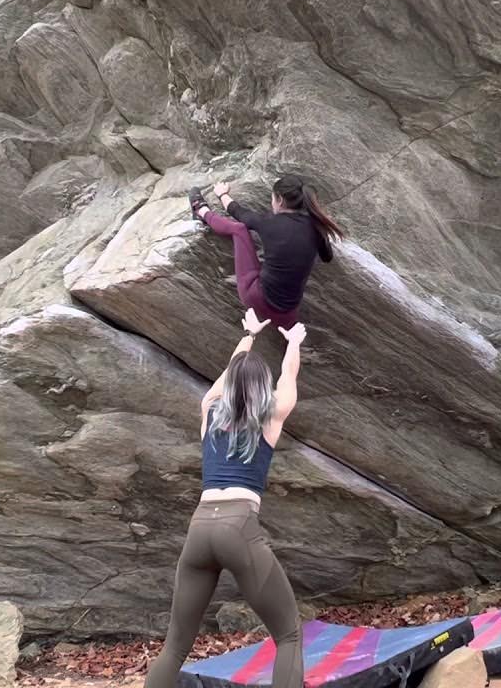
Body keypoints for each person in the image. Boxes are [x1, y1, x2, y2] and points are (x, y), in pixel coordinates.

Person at [143, 308, 307, 688]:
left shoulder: (209, 413)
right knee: (288, 635)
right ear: (262, 389)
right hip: (239, 526)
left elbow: (222, 385)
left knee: (176, 646)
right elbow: (289, 377)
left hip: (200, 528)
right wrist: (293, 343)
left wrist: (248, 336)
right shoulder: (271, 416)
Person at [189, 175, 343, 328]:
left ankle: (200, 210)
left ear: (280, 200)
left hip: (257, 299)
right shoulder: (317, 228)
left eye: (272, 199)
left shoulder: (270, 222)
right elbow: (327, 257)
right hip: (287, 316)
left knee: (239, 229)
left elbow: (238, 212)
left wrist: (222, 194)